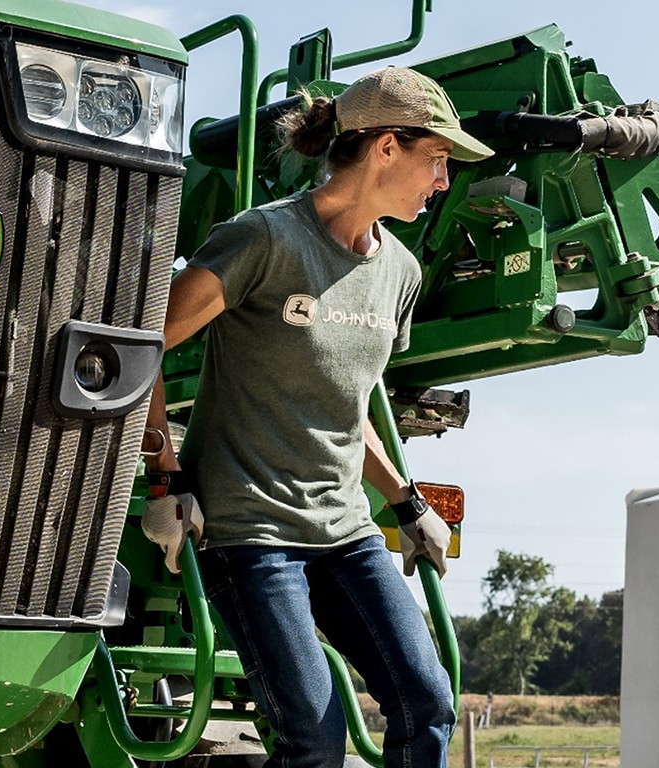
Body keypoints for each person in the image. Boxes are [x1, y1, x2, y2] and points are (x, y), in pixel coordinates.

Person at [141, 66, 494, 768]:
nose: (444, 182)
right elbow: (143, 345)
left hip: (346, 532)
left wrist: (406, 498)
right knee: (314, 736)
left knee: (428, 703)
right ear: (387, 146)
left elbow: (347, 401)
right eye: (438, 160)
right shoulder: (264, 240)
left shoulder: (401, 272)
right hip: (252, 534)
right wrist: (166, 478)